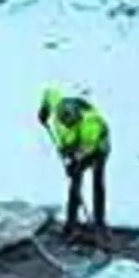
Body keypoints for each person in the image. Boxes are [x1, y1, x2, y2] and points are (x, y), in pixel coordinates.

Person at [36, 85, 111, 238]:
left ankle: (99, 221)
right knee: (74, 182)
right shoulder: (58, 105)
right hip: (76, 145)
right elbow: (49, 92)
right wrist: (43, 110)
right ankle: (71, 221)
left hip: (97, 148)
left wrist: (76, 162)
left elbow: (88, 147)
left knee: (97, 181)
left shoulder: (90, 125)